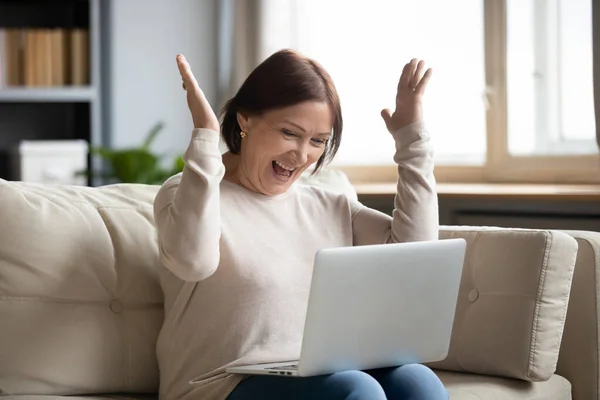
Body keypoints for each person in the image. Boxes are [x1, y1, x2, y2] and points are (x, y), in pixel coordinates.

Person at [153, 49, 445, 400]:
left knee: (417, 382)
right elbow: (192, 261)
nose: (302, 154)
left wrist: (411, 141)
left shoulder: (329, 205)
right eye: (290, 133)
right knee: (357, 390)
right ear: (245, 120)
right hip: (220, 384)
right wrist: (204, 137)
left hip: (316, 372)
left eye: (318, 141)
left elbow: (415, 259)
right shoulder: (189, 193)